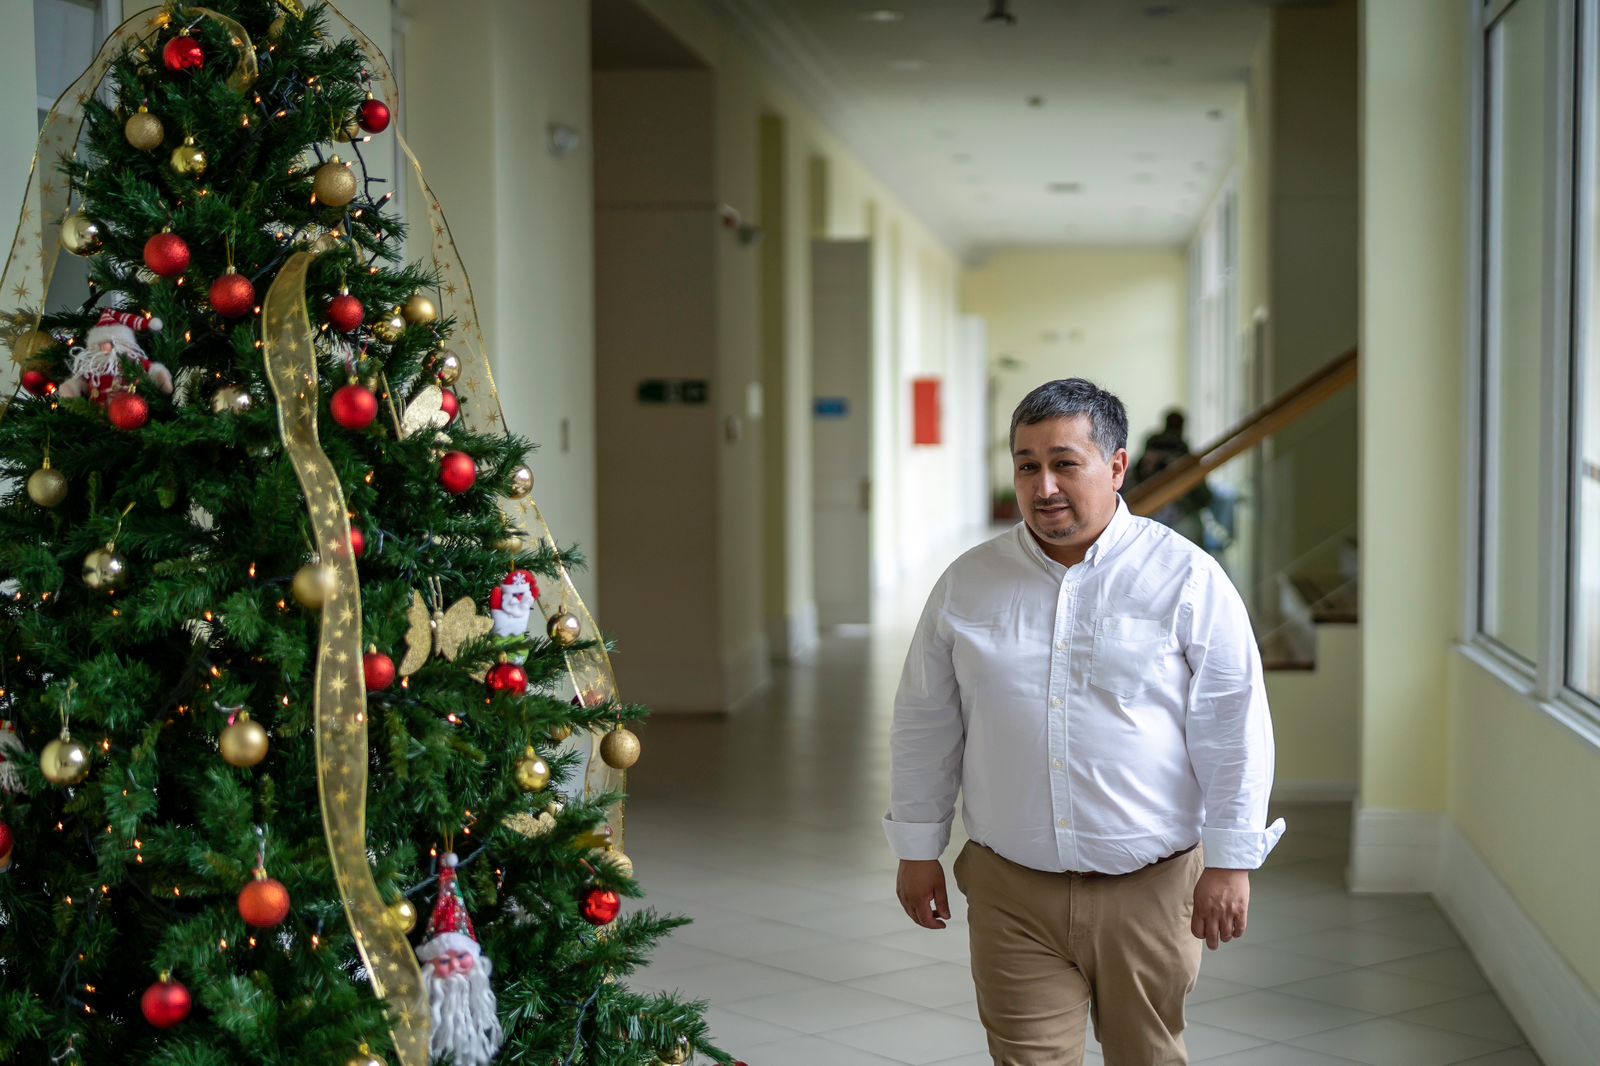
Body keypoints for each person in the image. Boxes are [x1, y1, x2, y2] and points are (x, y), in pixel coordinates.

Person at [885, 378, 1284, 1066]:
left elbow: (1232, 722)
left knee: (1147, 1056)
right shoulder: (967, 582)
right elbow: (926, 721)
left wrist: (1231, 859)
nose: (1043, 487)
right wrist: (918, 846)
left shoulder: (1185, 578)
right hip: (1011, 889)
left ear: (1117, 466)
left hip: (1152, 890)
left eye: (1065, 463)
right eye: (1026, 465)